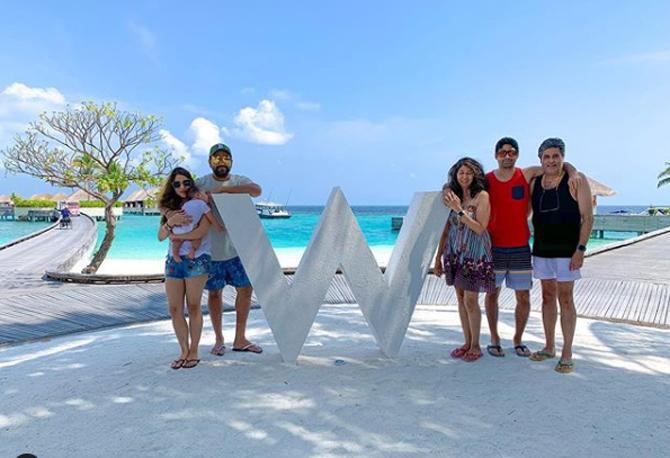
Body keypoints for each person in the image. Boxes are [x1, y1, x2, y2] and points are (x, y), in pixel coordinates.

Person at [483, 137, 582, 357]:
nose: (507, 155)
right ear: (496, 155)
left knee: (524, 297)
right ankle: (494, 339)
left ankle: (518, 339)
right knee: (492, 295)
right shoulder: (487, 179)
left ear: (517, 154)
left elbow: (558, 165)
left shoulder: (526, 174)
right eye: (503, 152)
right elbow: (466, 186)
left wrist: (574, 172)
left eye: (512, 152)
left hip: (520, 246)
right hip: (493, 246)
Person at [171, 143, 263, 356]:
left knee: (245, 290)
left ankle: (240, 338)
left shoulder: (239, 180)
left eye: (225, 158)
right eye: (216, 158)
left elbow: (256, 190)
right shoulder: (201, 183)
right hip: (210, 251)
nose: (221, 162)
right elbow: (181, 200)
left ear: (231, 161)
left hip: (236, 249)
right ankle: (219, 339)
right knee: (214, 294)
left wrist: (222, 192)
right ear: (210, 161)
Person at [528, 138, 593, 374]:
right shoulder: (535, 182)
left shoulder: (576, 180)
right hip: (543, 250)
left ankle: (567, 351)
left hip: (568, 251)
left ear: (562, 157)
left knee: (565, 299)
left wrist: (581, 249)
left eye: (556, 156)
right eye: (547, 156)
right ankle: (549, 346)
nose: (551, 160)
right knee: (546, 297)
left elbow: (587, 217)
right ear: (541, 159)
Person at [434, 157, 495, 362]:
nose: (465, 176)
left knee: (471, 299)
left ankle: (476, 345)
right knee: (460, 299)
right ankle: (467, 342)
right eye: (461, 172)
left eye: (469, 172)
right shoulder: (451, 196)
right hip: (454, 252)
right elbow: (445, 230)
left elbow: (480, 227)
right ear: (455, 175)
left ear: (475, 175)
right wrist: (438, 258)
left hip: (474, 253)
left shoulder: (482, 196)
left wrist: (459, 209)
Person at [158, 167, 212, 369]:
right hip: (174, 262)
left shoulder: (200, 204)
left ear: (191, 183)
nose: (182, 187)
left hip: (196, 260)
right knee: (174, 308)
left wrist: (177, 236)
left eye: (186, 182)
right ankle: (183, 350)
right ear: (172, 187)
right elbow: (160, 237)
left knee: (194, 305)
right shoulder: (170, 209)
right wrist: (170, 223)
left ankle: (194, 350)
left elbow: (202, 231)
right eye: (177, 184)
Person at [171, 190, 223, 263]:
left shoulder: (186, 204)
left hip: (178, 227)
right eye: (206, 194)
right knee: (198, 238)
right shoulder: (203, 204)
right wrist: (219, 227)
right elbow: (211, 218)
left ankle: (175, 254)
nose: (209, 196)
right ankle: (193, 249)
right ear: (198, 195)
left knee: (177, 241)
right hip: (189, 227)